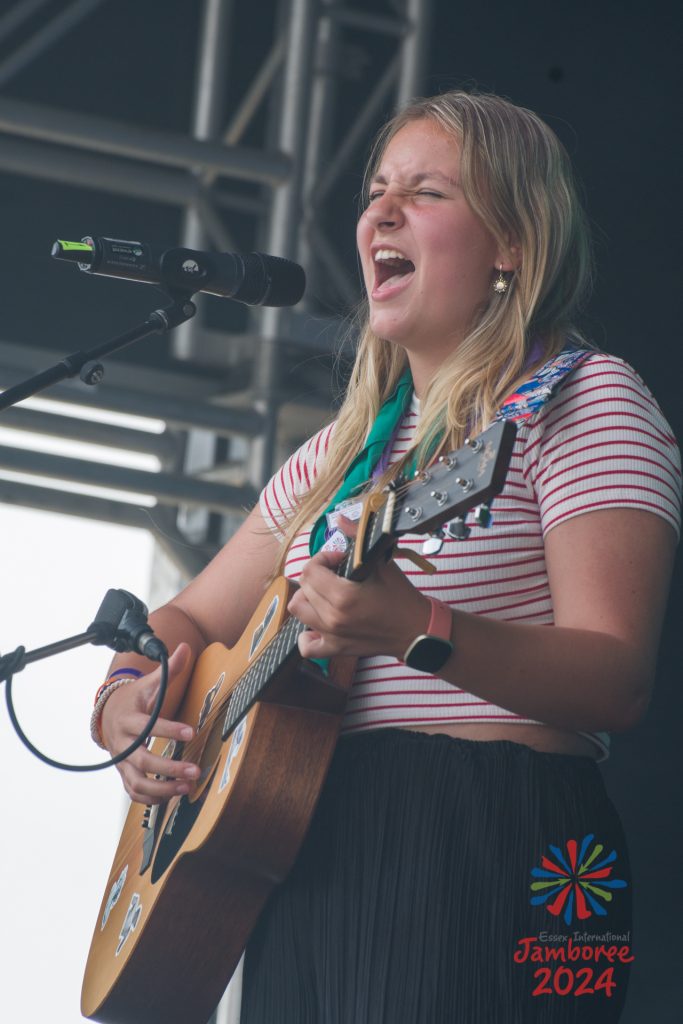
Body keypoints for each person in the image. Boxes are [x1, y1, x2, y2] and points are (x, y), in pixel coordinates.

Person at [95, 91, 680, 1022]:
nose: (381, 211)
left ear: (512, 243)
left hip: (501, 831)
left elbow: (617, 680)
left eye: (426, 191)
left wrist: (419, 628)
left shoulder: (582, 396)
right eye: (375, 191)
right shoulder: (337, 454)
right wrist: (125, 702)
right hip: (304, 837)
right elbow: (190, 621)